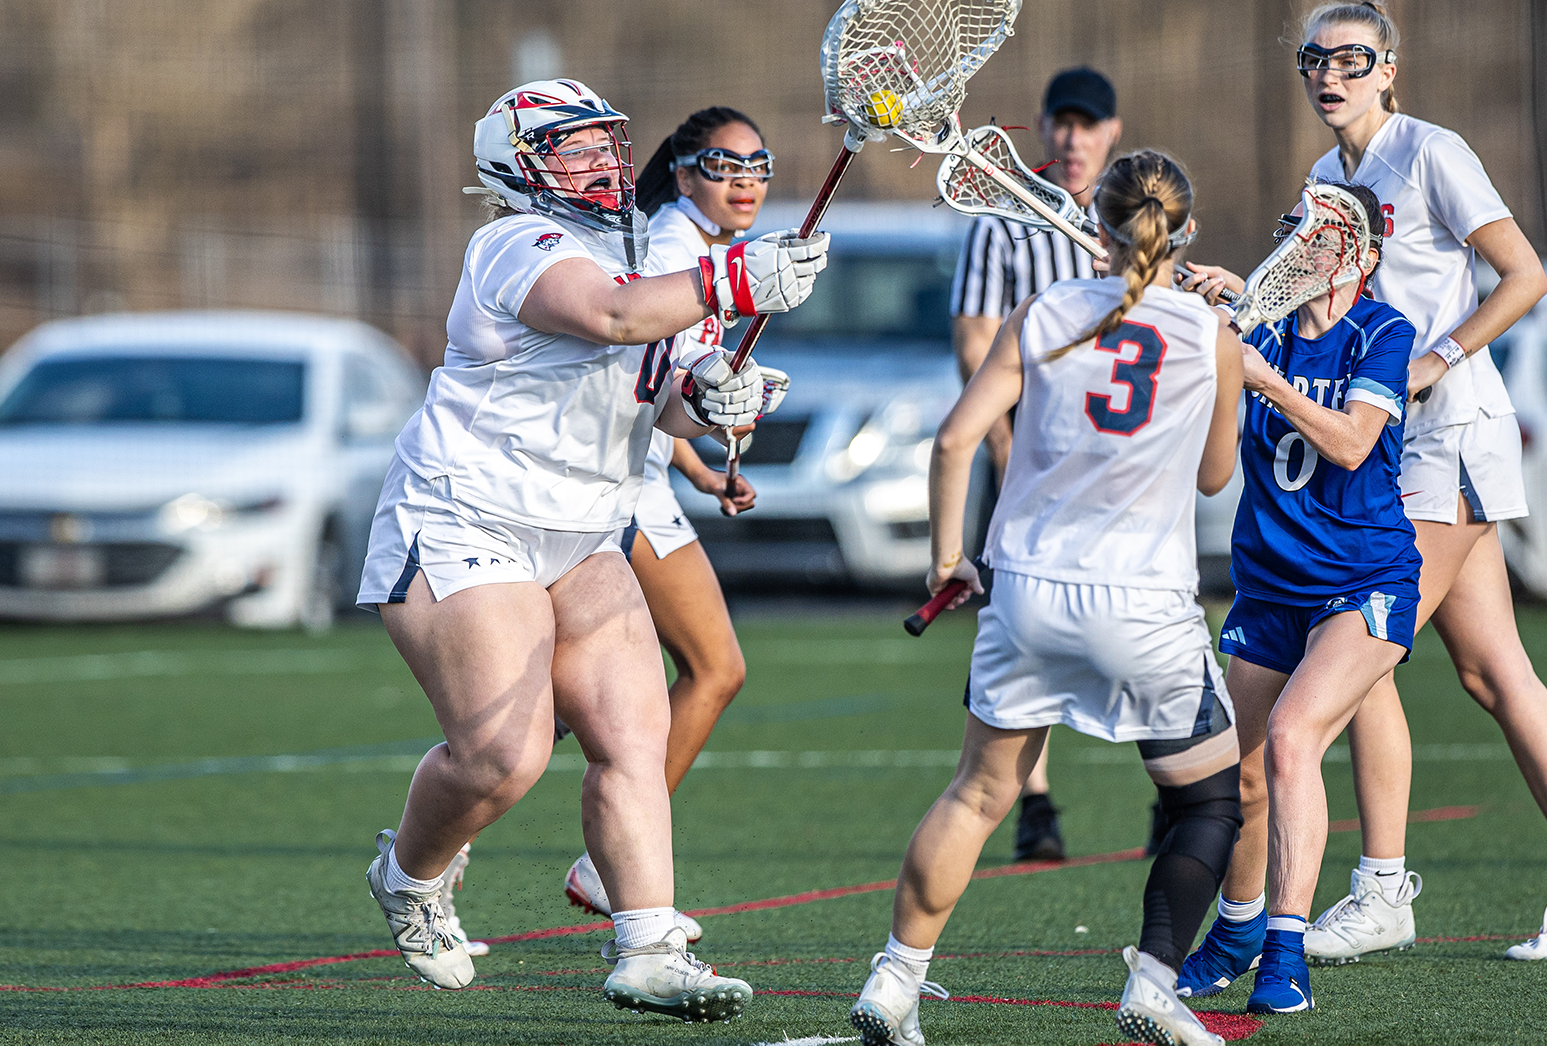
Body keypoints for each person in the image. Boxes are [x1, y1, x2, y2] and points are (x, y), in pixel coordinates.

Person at [353, 78, 824, 1020]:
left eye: (606, 142)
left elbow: (666, 389)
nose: (602, 160)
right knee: (504, 757)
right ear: (518, 166)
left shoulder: (643, 250)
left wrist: (715, 399)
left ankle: (648, 948)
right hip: (469, 517)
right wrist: (731, 279)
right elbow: (612, 318)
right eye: (573, 147)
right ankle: (408, 875)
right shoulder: (515, 243)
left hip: (586, 531)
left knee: (633, 738)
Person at [1182, 0, 1547, 965]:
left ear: (1390, 69)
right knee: (1494, 674)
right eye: (1315, 58)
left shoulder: (1431, 152)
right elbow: (1312, 296)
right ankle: (1378, 890)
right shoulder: (1324, 176)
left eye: (1352, 58)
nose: (1330, 74)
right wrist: (1238, 293)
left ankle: (1382, 890)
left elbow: (1525, 273)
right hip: (1388, 441)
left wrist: (1436, 359)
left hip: (1445, 434)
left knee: (1357, 636)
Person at [850, 151, 1244, 1046]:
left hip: (1026, 591)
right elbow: (1215, 476)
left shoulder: (1041, 311)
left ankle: (895, 980)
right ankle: (1154, 983)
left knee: (976, 796)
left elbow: (956, 439)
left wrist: (947, 559)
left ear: (1099, 227)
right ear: (1187, 230)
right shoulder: (1209, 335)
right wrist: (1222, 357)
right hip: (1144, 606)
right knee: (1209, 804)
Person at [1177, 183, 1419, 1015]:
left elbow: (1352, 443)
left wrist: (1265, 380)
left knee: (1291, 737)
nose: (1302, 240)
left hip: (1362, 581)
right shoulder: (1260, 327)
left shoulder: (1382, 332)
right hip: (1270, 584)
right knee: (1233, 772)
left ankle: (1286, 953)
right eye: (1295, 225)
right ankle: (1237, 931)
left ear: (1363, 254)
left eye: (1324, 230)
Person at [554, 106, 772, 942]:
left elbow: (659, 386)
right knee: (708, 670)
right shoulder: (677, 248)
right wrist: (719, 399)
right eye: (723, 165)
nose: (745, 180)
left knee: (575, 702)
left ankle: (462, 835)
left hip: (646, 481)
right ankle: (598, 865)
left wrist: (703, 467)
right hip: (617, 493)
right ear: (683, 174)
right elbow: (657, 372)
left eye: (758, 165)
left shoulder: (698, 245)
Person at [948, 66, 1126, 862]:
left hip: (1118, 454)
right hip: (1029, 451)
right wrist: (1002, 441)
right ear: (1046, 126)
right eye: (1062, 122)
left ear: (1111, 132)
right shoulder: (1005, 220)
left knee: (1138, 602)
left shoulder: (1130, 213)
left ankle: (1171, 791)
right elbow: (974, 340)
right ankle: (1035, 800)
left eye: (1088, 125)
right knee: (1022, 617)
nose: (1073, 138)